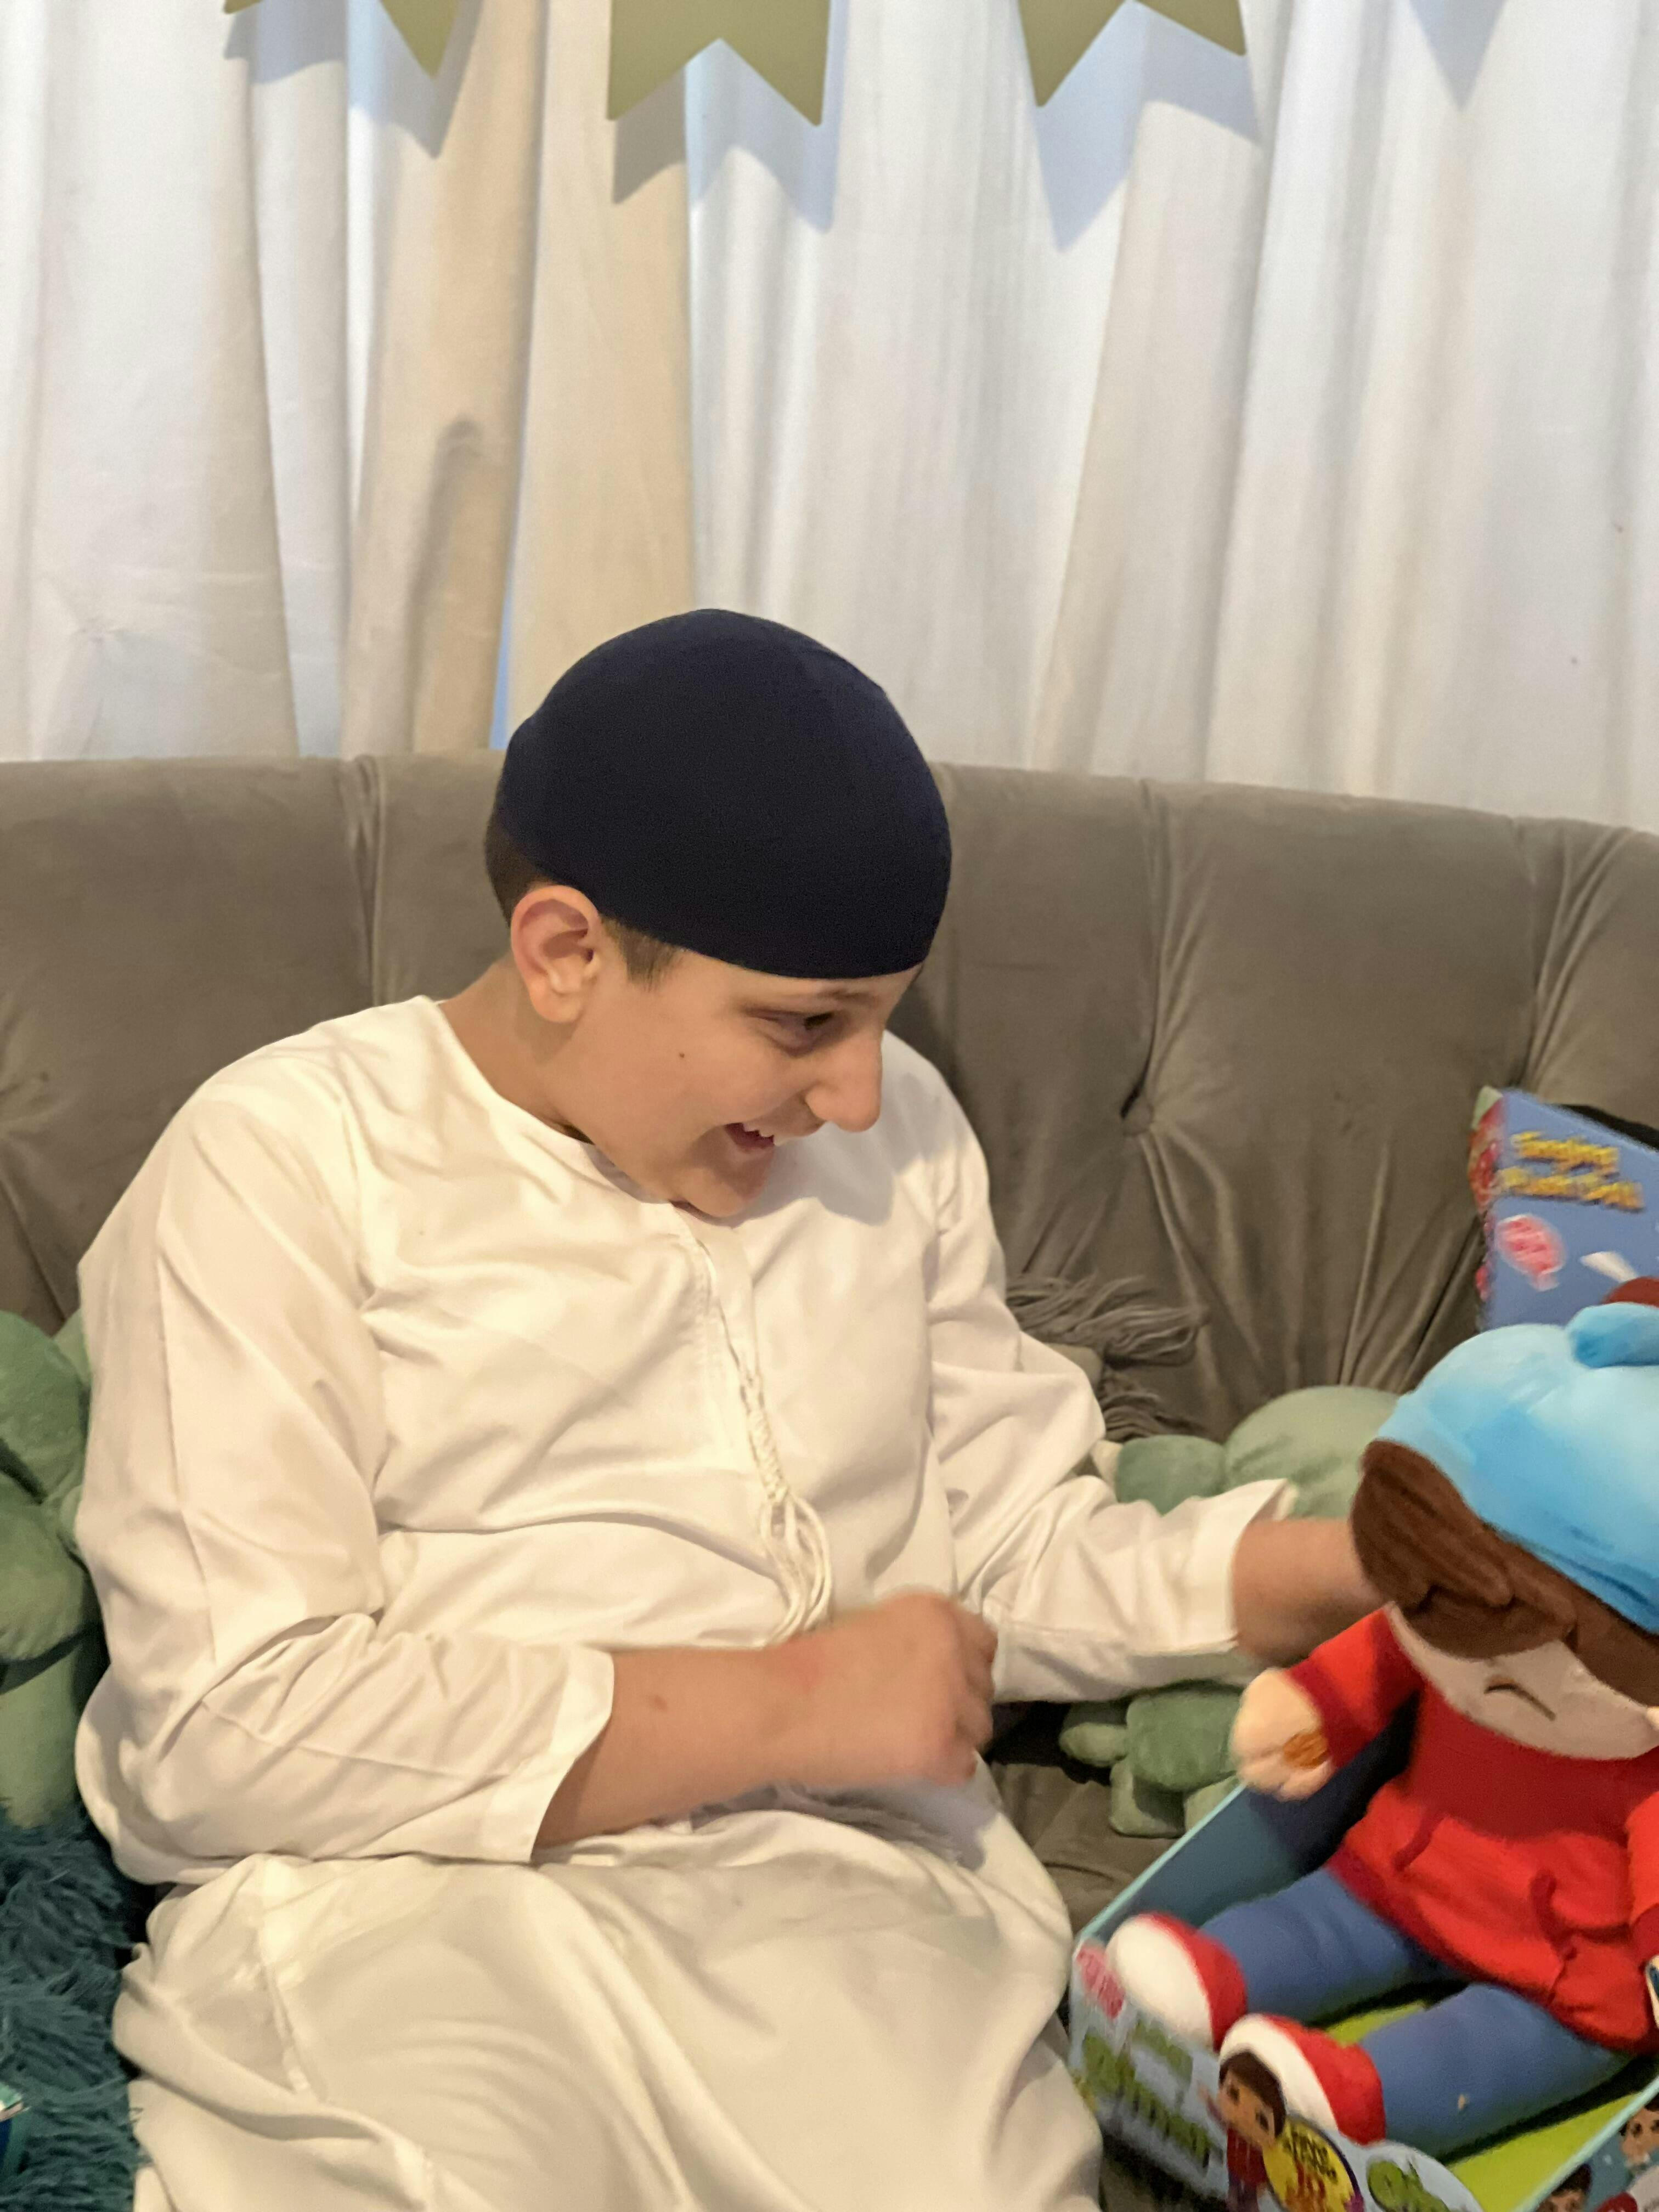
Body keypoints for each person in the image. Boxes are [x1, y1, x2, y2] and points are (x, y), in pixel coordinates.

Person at [75, 612, 1376, 2212]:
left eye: (886, 1020)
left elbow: (1008, 1554)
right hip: (407, 1901)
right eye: (806, 1023)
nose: (858, 1096)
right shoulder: (285, 1158)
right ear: (565, 952)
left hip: (852, 1902)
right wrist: (787, 1703)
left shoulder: (898, 1136)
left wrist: (1351, 1568)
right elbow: (223, 1728)